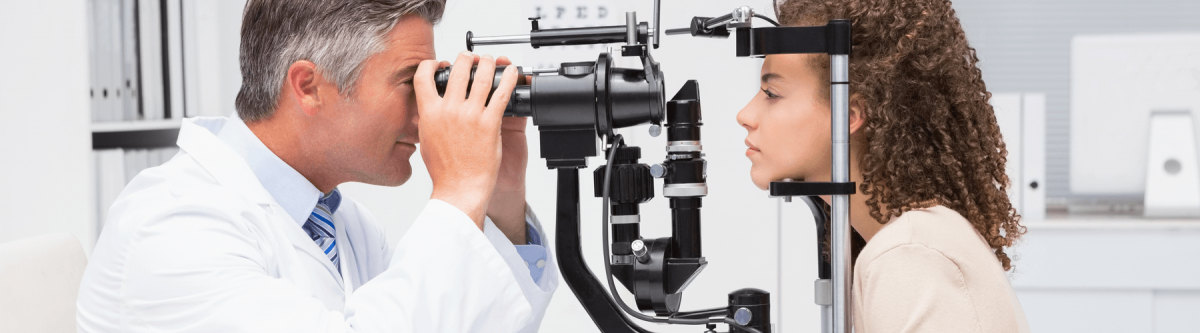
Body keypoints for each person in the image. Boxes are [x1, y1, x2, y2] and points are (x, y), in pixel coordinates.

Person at [76, 0, 557, 332]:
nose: (427, 111)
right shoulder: (174, 228)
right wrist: (457, 191)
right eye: (411, 83)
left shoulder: (341, 223)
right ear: (308, 86)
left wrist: (499, 196)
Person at [736, 0, 1030, 331]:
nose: (745, 115)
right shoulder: (909, 242)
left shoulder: (909, 256)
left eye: (772, 93)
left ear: (849, 115)